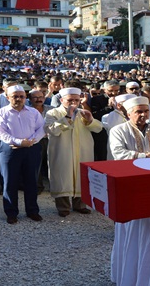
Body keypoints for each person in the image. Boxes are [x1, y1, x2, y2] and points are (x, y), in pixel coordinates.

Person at [45, 87, 103, 217]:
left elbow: (98, 128)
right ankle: (63, 207)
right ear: (61, 100)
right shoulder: (53, 113)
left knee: (81, 176)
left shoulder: (83, 112)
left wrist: (90, 120)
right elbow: (51, 129)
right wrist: (67, 117)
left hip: (83, 150)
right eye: (70, 100)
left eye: (77, 100)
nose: (74, 103)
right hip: (62, 150)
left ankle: (80, 205)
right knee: (62, 176)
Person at [0, 85, 45, 224]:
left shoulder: (33, 112)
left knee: (31, 181)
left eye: (21, 96)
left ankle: (32, 211)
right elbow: (0, 132)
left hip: (31, 148)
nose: (18, 99)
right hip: (11, 150)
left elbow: (42, 128)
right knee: (10, 182)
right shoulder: (1, 112)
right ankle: (11, 213)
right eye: (15, 96)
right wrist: (18, 142)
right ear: (8, 97)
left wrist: (31, 141)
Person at [109, 96, 150, 160]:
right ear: (129, 115)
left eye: (146, 111)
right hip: (130, 167)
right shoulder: (118, 130)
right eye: (139, 112)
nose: (143, 114)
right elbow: (118, 152)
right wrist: (143, 156)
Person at [28, 89, 54, 194]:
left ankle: (54, 186)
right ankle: (38, 187)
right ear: (30, 99)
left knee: (52, 164)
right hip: (35, 141)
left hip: (51, 139)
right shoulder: (26, 110)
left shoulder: (52, 110)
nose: (39, 100)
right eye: (35, 97)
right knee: (36, 164)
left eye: (41, 97)